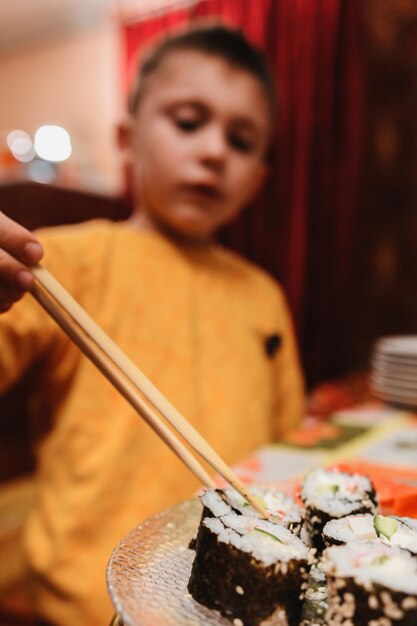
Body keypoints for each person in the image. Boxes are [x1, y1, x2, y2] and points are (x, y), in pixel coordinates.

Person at [0, 24, 304, 626]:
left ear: (259, 180)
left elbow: (283, 450)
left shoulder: (263, 294)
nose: (215, 150)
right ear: (127, 138)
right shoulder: (63, 262)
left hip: (227, 601)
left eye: (242, 141)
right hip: (84, 598)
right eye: (189, 122)